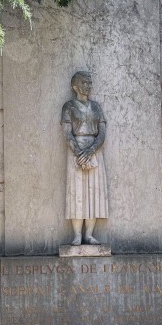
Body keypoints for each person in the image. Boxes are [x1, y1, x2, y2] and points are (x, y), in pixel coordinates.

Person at [61, 71, 109, 245]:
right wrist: (79, 152)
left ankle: (89, 234)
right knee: (76, 192)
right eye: (84, 83)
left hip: (94, 151)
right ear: (75, 87)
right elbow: (67, 133)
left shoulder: (96, 107)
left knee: (94, 192)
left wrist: (91, 150)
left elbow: (102, 132)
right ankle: (76, 235)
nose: (88, 86)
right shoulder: (69, 107)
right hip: (76, 151)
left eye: (89, 83)